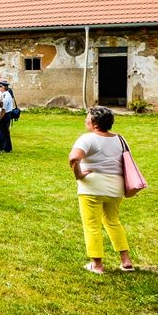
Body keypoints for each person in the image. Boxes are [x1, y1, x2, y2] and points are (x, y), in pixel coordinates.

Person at [68, 106, 134, 274]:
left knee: (92, 225)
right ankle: (126, 260)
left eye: (88, 117)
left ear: (95, 123)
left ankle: (97, 265)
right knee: (113, 222)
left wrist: (79, 174)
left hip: (92, 188)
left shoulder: (87, 138)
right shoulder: (120, 139)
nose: (85, 119)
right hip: (115, 188)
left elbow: (74, 158)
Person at [0, 81, 15, 153]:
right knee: (4, 132)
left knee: (3, 132)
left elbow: (3, 109)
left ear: (2, 87)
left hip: (5, 115)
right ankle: (4, 147)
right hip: (6, 114)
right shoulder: (6, 94)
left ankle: (5, 147)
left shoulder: (5, 96)